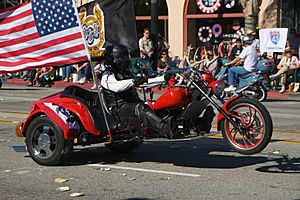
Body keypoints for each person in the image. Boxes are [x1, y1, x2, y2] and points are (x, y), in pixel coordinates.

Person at [100, 45, 176, 138]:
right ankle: (164, 128)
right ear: (116, 59)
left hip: (130, 103)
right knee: (140, 108)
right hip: (118, 108)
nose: (127, 59)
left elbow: (143, 82)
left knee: (153, 104)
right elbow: (116, 87)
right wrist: (133, 81)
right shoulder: (107, 74)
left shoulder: (126, 73)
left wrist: (163, 78)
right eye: (124, 57)